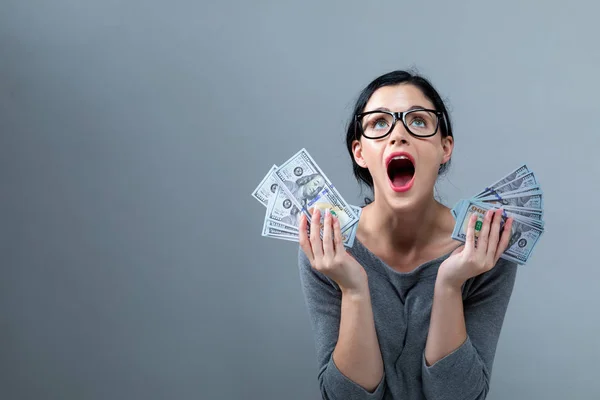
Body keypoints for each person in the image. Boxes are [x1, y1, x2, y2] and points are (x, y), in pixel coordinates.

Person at [297, 70, 517, 400]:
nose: (398, 134)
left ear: (445, 148)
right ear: (359, 152)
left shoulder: (486, 246)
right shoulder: (327, 246)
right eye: (379, 123)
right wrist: (354, 288)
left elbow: (462, 396)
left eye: (418, 121)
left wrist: (449, 284)